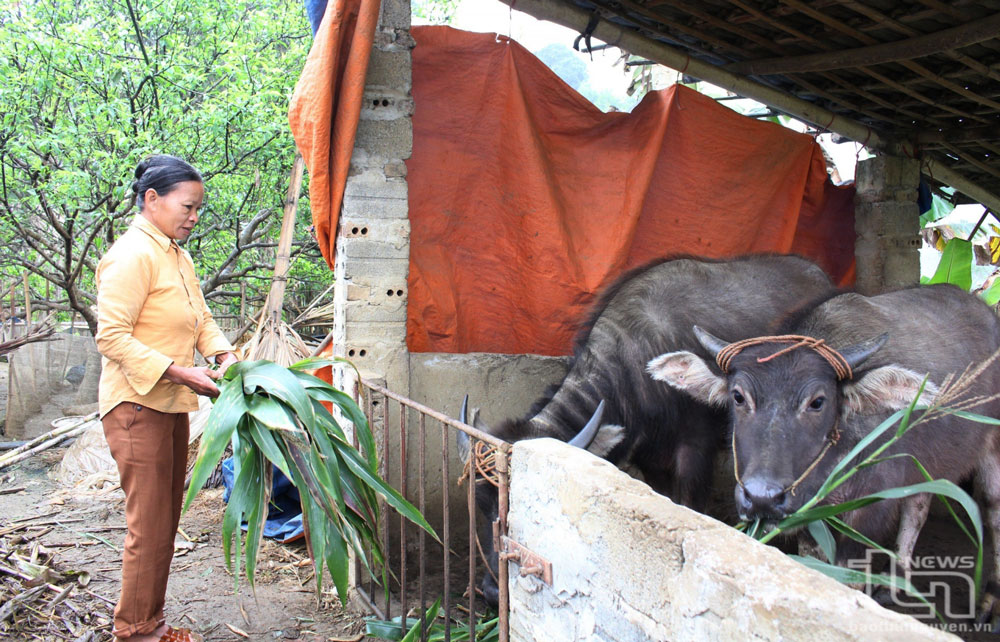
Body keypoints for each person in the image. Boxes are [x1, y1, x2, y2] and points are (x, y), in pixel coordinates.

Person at [96, 154, 239, 642]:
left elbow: (201, 319)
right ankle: (136, 631)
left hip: (169, 402)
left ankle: (149, 623)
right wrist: (179, 371)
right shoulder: (131, 254)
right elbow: (110, 336)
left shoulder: (177, 255)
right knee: (150, 527)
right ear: (152, 200)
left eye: (198, 209)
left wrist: (224, 356)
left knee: (164, 522)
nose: (194, 217)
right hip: (138, 406)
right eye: (188, 206)